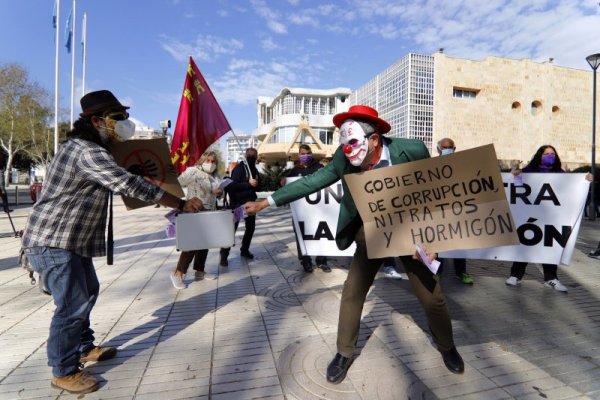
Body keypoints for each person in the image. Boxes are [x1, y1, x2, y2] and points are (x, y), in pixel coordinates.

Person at [244, 105, 464, 384]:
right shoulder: (343, 158)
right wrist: (267, 201)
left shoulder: (412, 150)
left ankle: (447, 346)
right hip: (371, 232)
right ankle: (343, 352)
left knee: (432, 296)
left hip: (410, 232)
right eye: (343, 144)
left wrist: (432, 239)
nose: (347, 150)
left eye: (353, 142)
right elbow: (312, 181)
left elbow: (432, 190)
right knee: (351, 293)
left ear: (374, 140)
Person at [21, 90, 202, 394]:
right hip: (53, 240)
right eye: (117, 119)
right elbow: (129, 183)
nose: (124, 124)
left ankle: (84, 346)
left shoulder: (91, 148)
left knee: (87, 292)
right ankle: (63, 370)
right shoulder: (86, 151)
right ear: (96, 120)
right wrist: (179, 204)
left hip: (68, 241)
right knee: (72, 304)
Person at [505, 145, 572, 292]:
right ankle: (516, 275)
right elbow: (516, 184)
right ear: (539, 155)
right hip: (531, 216)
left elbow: (572, 188)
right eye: (546, 153)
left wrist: (585, 180)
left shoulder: (560, 173)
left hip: (550, 217)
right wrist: (514, 173)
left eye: (552, 153)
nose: (549, 156)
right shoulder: (529, 171)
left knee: (549, 247)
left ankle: (551, 278)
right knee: (526, 243)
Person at [170, 151, 223, 289]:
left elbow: (214, 195)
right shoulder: (193, 171)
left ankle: (199, 271)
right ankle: (178, 273)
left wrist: (219, 193)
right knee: (191, 245)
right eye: (208, 160)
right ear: (202, 160)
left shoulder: (215, 176)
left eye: (213, 161)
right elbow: (177, 184)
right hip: (194, 212)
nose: (210, 164)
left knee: (205, 243)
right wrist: (182, 203)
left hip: (209, 213)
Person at [280, 144, 331, 273]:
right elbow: (285, 185)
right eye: (302, 154)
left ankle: (322, 261)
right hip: (301, 211)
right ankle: (306, 261)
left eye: (307, 153)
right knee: (301, 236)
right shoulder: (295, 170)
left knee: (321, 234)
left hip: (318, 210)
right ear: (299, 155)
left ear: (311, 154)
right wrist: (283, 182)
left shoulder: (320, 168)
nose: (305, 156)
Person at [435, 138, 473, 285]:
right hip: (439, 213)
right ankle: (437, 272)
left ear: (455, 148)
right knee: (439, 245)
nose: (447, 149)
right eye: (444, 147)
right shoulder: (430, 166)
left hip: (458, 212)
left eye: (450, 147)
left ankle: (461, 272)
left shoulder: (462, 165)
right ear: (438, 149)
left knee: (459, 245)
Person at [219, 147, 260, 266]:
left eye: (254, 156)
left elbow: (258, 185)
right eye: (250, 156)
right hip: (238, 203)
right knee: (232, 229)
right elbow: (233, 186)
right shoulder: (239, 168)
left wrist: (256, 185)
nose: (252, 158)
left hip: (250, 203)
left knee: (250, 228)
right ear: (245, 156)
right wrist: (248, 184)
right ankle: (224, 254)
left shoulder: (254, 170)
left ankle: (245, 250)